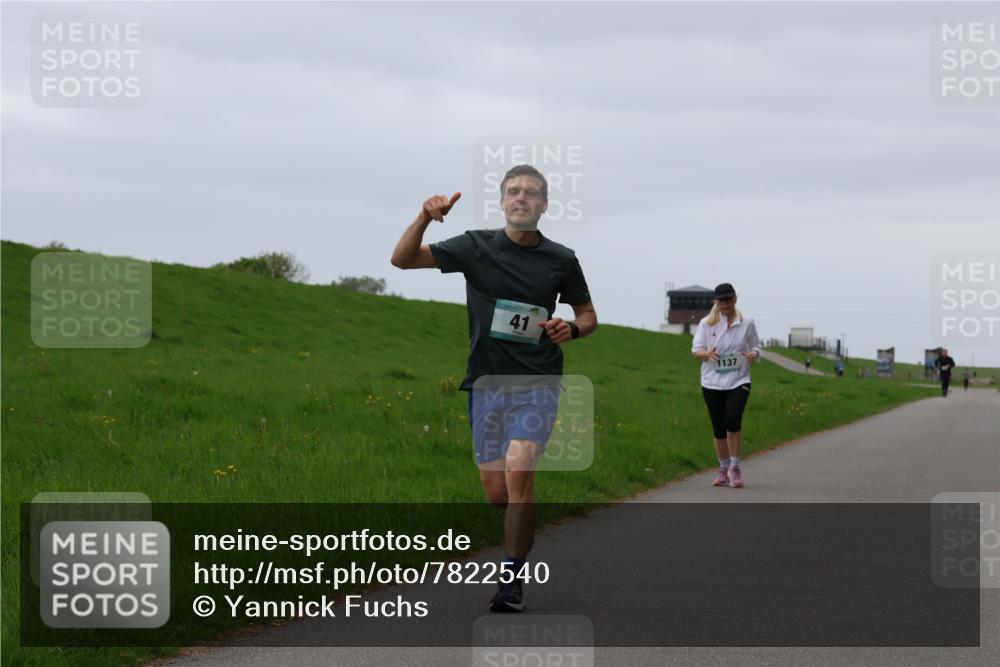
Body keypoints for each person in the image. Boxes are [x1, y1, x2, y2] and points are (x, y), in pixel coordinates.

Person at [390, 164, 597, 612]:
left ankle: (511, 578)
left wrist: (571, 329)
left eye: (531, 193)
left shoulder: (561, 259)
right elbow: (402, 260)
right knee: (497, 493)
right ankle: (518, 532)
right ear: (503, 202)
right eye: (513, 192)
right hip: (487, 383)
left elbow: (587, 315)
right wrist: (424, 215)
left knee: (520, 472)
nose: (521, 198)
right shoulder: (475, 246)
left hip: (539, 380)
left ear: (544, 205)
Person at [691, 283, 761, 488]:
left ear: (735, 300)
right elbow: (696, 351)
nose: (726, 304)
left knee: (733, 420)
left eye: (729, 300)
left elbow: (757, 346)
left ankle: (735, 467)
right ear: (717, 302)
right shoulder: (707, 324)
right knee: (719, 428)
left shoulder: (747, 323)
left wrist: (754, 353)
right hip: (712, 381)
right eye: (722, 301)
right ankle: (723, 469)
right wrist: (706, 354)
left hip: (739, 380)